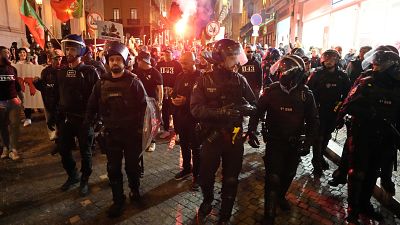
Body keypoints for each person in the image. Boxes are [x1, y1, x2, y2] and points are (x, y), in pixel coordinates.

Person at [190, 39, 256, 225]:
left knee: (231, 178)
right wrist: (220, 112)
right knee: (205, 175)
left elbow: (254, 103)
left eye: (237, 56)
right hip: (211, 136)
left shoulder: (240, 79)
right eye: (232, 57)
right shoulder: (204, 79)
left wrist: (247, 108)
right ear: (220, 59)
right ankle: (208, 200)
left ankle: (225, 215)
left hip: (234, 135)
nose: (236, 61)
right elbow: (195, 109)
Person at [248, 55, 319, 225]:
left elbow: (313, 120)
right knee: (273, 177)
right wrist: (251, 131)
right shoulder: (272, 91)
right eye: (282, 71)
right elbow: (257, 112)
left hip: (294, 143)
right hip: (275, 141)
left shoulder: (305, 94)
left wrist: (309, 141)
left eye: (287, 71)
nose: (283, 74)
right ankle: (269, 214)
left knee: (289, 174)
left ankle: (280, 197)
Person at [338, 49, 400, 224]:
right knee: (357, 173)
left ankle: (365, 204)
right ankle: (352, 208)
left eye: (378, 65)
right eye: (374, 64)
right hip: (363, 134)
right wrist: (370, 114)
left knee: (373, 173)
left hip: (386, 138)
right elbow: (347, 106)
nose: (374, 67)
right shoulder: (366, 82)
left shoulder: (398, 86)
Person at [85, 42, 147, 217]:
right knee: (113, 168)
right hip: (111, 134)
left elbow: (144, 108)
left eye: (118, 59)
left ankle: (135, 192)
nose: (114, 63)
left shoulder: (134, 82)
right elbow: (91, 106)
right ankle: (117, 200)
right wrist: (89, 125)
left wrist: (144, 132)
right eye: (111, 59)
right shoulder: (101, 84)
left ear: (125, 61)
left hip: (131, 134)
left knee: (133, 168)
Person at [53, 34, 99, 196]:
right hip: (66, 119)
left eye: (73, 49)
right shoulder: (62, 71)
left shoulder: (90, 72)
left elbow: (98, 97)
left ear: (80, 50)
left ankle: (85, 180)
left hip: (84, 120)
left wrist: (94, 120)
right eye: (67, 49)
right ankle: (73, 175)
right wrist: (56, 117)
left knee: (85, 152)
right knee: (63, 149)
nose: (69, 52)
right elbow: (59, 95)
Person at [306, 49, 351, 176]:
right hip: (318, 110)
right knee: (318, 137)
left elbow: (348, 94)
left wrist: (342, 108)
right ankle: (316, 162)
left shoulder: (342, 75)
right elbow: (308, 91)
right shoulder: (317, 74)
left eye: (331, 59)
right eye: (326, 59)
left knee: (326, 136)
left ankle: (320, 156)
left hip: (334, 111)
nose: (328, 62)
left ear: (336, 60)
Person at [171, 52, 200, 189]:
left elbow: (204, 98)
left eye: (186, 63)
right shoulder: (180, 76)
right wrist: (173, 97)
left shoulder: (201, 77)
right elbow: (175, 91)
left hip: (195, 119)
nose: (183, 66)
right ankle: (187, 168)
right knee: (184, 145)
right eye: (181, 63)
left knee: (196, 147)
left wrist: (186, 101)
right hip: (181, 118)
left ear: (194, 62)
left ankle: (198, 175)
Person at [33, 49, 64, 155]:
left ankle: (64, 145)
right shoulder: (46, 72)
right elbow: (43, 87)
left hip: (62, 105)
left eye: (60, 59)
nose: (59, 61)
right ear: (51, 59)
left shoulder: (65, 70)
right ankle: (59, 144)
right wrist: (36, 83)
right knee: (54, 125)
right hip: (50, 103)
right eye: (56, 59)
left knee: (63, 124)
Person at [134, 51, 163, 152]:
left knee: (152, 123)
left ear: (142, 61)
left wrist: (160, 103)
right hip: (139, 101)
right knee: (141, 122)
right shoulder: (136, 71)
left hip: (152, 101)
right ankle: (142, 140)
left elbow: (160, 89)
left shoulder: (155, 73)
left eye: (138, 60)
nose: (137, 62)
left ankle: (152, 142)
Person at [0, 46, 23, 160]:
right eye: (6, 52)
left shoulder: (12, 69)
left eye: (9, 52)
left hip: (14, 102)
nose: (8, 54)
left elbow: (17, 86)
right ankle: (5, 147)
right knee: (3, 126)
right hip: (1, 103)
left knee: (14, 126)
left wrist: (21, 100)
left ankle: (14, 149)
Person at [156, 49, 183, 138]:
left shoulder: (177, 64)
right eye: (165, 55)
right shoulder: (160, 64)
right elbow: (157, 77)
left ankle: (178, 131)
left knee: (175, 111)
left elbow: (180, 77)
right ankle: (166, 129)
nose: (167, 56)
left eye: (169, 55)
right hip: (163, 91)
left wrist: (175, 88)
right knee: (165, 110)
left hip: (174, 91)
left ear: (172, 55)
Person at [16, 48, 34, 127]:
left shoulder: (29, 63)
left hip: (27, 84)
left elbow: (34, 71)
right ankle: (26, 117)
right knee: (21, 101)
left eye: (24, 52)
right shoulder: (16, 63)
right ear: (18, 54)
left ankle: (28, 118)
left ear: (26, 54)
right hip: (19, 85)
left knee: (27, 100)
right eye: (20, 52)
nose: (22, 54)